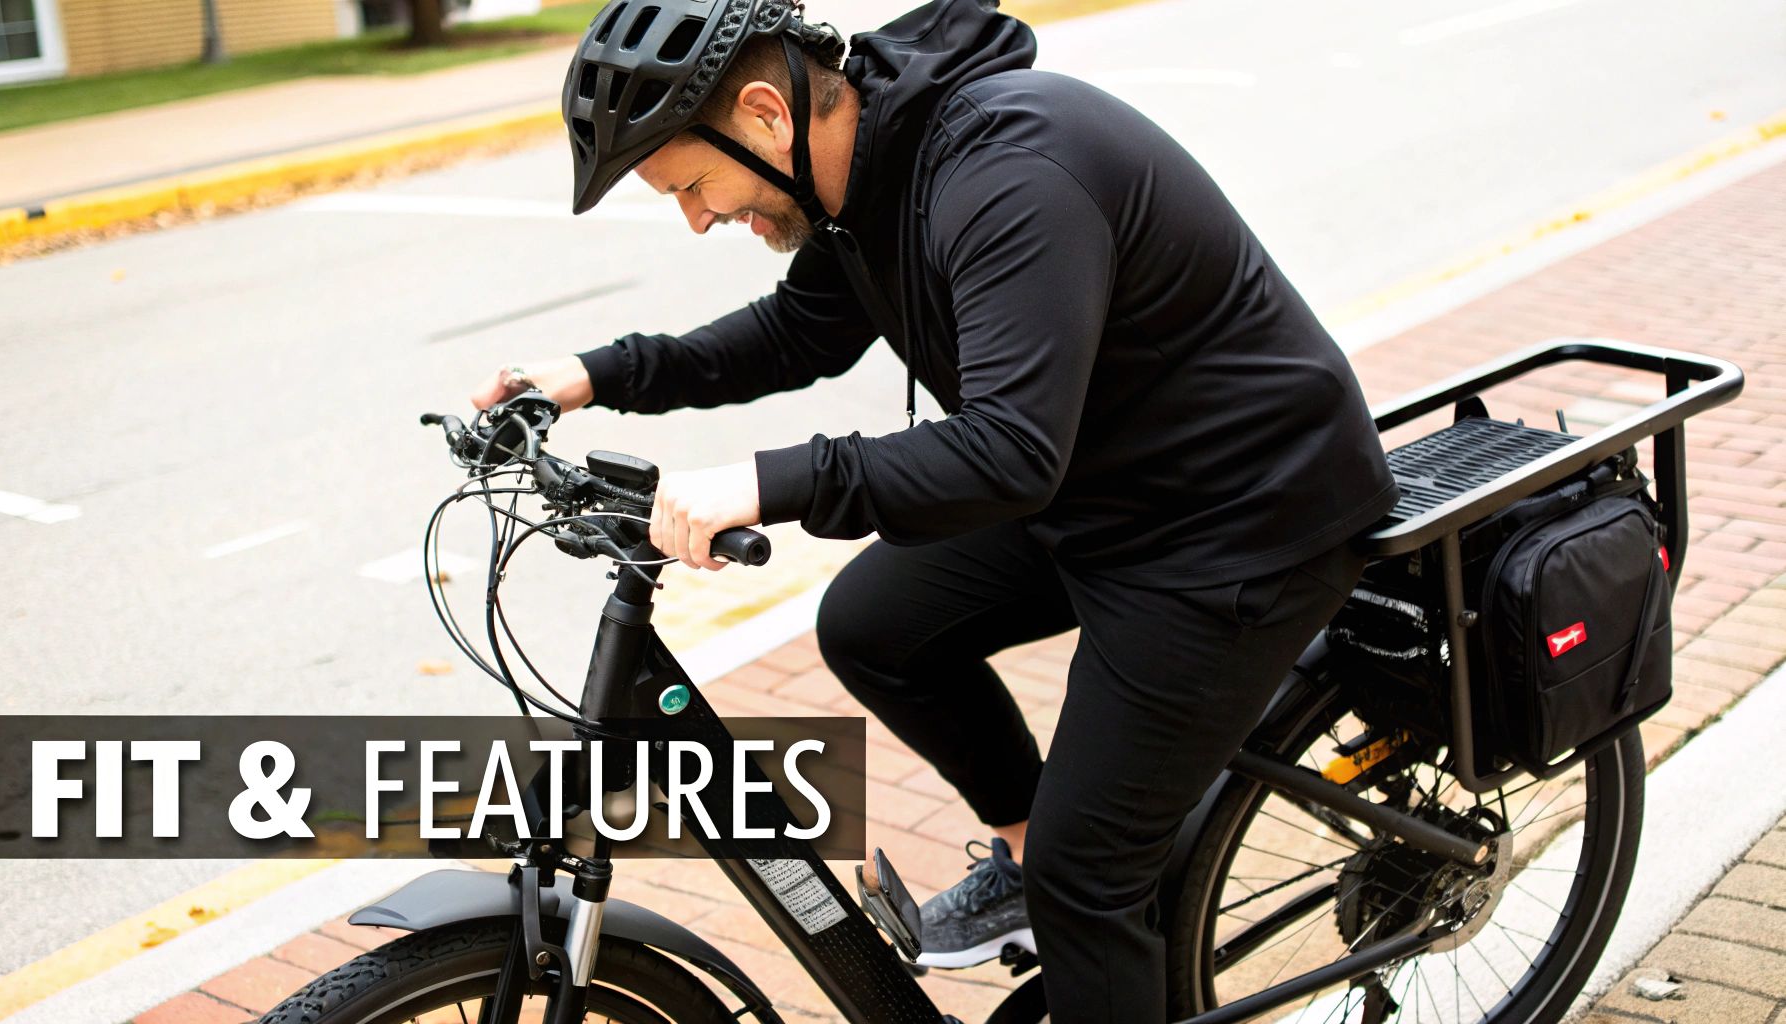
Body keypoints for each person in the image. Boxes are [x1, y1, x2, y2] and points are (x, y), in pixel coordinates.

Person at [472, 0, 1399, 1018]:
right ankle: (1021, 844)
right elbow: (794, 335)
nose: (697, 218)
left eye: (693, 184)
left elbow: (1007, 451)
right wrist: (588, 376)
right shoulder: (866, 173)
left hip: (1233, 519)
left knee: (1088, 882)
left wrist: (768, 481)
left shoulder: (1005, 175)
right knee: (874, 626)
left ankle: (1058, 879)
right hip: (1102, 484)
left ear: (762, 114)